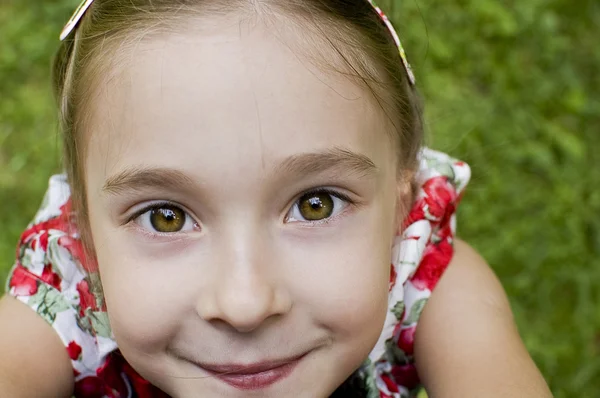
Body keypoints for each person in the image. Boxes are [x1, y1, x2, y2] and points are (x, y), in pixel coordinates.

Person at [0, 1, 552, 397]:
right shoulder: (67, 297)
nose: (246, 303)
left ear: (399, 209)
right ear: (87, 234)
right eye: (166, 217)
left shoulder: (430, 287)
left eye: (317, 204)